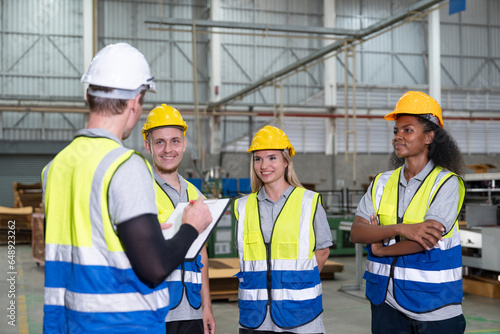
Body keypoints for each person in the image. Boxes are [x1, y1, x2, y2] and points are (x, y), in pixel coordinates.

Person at [41, 43, 212, 334]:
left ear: (88, 95)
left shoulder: (55, 168)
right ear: (135, 102)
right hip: (121, 324)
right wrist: (190, 228)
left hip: (67, 322)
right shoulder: (124, 166)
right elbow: (154, 269)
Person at [350, 91, 466, 334]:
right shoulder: (381, 182)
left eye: (407, 130)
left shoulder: (446, 183)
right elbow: (358, 232)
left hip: (434, 304)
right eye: (396, 131)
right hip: (385, 302)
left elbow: (426, 240)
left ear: (429, 136)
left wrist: (380, 246)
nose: (397, 137)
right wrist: (401, 229)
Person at [233, 125, 332, 334]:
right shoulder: (242, 207)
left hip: (300, 313)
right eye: (257, 159)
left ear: (286, 161)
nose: (263, 165)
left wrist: (296, 286)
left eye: (272, 158)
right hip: (254, 314)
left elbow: (322, 252)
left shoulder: (309, 202)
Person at [142, 104, 216, 334]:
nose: (167, 149)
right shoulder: (139, 189)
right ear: (148, 146)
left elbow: (201, 253)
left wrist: (206, 306)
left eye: (175, 141)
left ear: (184, 144)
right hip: (152, 309)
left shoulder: (196, 195)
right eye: (159, 142)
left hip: (191, 310)